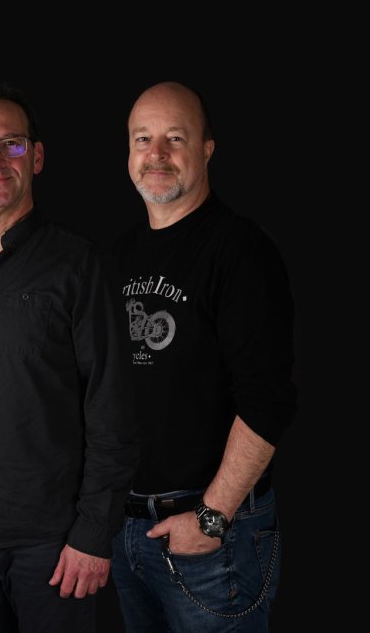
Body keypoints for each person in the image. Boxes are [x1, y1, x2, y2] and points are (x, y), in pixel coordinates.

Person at [0, 83, 139, 632]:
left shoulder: (80, 265)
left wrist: (93, 533)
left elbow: (113, 405)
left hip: (53, 546)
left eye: (12, 144)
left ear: (37, 157)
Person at [110, 81, 295, 632]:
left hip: (214, 535)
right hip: (130, 529)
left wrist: (213, 517)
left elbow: (267, 401)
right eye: (142, 139)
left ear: (207, 149)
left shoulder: (240, 250)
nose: (156, 154)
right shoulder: (119, 255)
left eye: (175, 138)